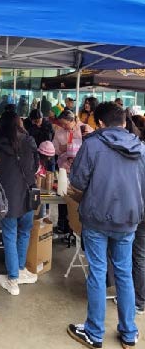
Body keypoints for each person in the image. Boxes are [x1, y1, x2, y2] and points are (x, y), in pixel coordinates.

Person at [67, 102, 145, 349]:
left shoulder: (92, 145)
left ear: (99, 123)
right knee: (124, 273)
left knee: (98, 273)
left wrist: (82, 198)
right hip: (129, 220)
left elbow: (77, 183)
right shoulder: (141, 148)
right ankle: (129, 333)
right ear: (123, 122)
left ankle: (94, 332)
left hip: (97, 219)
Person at [0, 112, 39, 295]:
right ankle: (20, 270)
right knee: (24, 232)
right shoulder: (29, 141)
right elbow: (36, 166)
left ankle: (13, 279)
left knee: (10, 235)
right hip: (27, 195)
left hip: (7, 197)